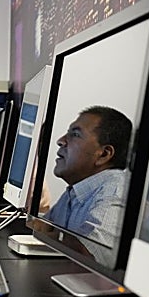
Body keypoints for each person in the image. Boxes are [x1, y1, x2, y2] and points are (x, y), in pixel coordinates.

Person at [46, 106, 133, 260]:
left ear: (104, 154)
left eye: (75, 135)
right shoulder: (75, 191)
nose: (61, 141)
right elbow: (44, 227)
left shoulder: (116, 190)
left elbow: (87, 254)